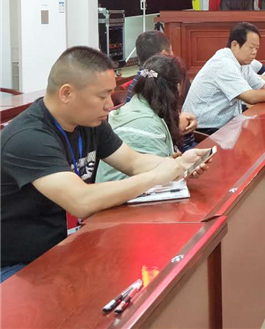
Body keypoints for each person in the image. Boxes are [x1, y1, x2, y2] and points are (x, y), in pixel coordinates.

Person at [0, 47, 211, 282]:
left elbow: (134, 162)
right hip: (21, 265)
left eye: (110, 94)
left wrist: (179, 163)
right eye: (102, 96)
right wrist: (157, 176)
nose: (109, 104)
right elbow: (81, 201)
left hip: (71, 245)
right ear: (66, 93)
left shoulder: (89, 123)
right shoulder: (28, 138)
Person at [183, 22, 265, 132]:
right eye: (251, 47)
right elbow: (251, 97)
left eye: (257, 48)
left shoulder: (242, 63)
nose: (254, 52)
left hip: (224, 123)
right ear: (235, 45)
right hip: (204, 128)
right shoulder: (223, 64)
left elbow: (263, 86)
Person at [97, 55, 192, 183]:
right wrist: (177, 165)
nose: (109, 104)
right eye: (103, 96)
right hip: (127, 193)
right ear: (178, 86)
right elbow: (160, 178)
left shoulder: (137, 104)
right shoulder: (148, 123)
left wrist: (176, 162)